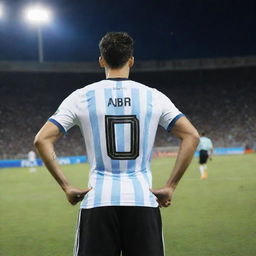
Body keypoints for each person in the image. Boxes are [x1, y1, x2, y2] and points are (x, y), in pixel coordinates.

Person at [34, 32, 199, 256]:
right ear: (131, 60)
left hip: (98, 201)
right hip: (142, 200)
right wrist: (171, 186)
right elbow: (192, 136)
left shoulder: (81, 96)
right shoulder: (153, 96)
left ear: (101, 60)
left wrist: (66, 186)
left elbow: (42, 139)